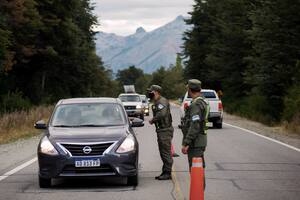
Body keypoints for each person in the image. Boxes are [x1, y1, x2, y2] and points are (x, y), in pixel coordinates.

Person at [181, 79, 209, 174]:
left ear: (189, 89)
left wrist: (186, 142)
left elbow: (195, 126)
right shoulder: (202, 101)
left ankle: (198, 189)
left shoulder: (196, 105)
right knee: (198, 170)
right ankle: (199, 189)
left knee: (196, 172)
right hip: (199, 141)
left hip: (195, 143)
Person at [148, 85, 174, 180]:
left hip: (165, 130)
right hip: (161, 130)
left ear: (156, 92)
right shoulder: (156, 101)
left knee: (165, 152)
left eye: (151, 91)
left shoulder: (161, 101)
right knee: (163, 152)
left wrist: (153, 120)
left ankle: (167, 173)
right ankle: (165, 171)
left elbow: (162, 114)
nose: (149, 93)